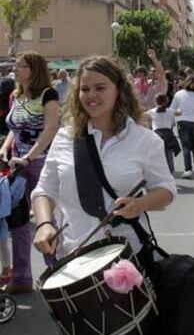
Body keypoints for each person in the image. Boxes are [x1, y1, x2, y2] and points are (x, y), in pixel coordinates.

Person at [31, 56, 176, 262]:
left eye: (100, 88)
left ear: (119, 90)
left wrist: (139, 204)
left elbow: (166, 189)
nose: (91, 95)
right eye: (85, 89)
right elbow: (45, 189)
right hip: (74, 256)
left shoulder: (146, 140)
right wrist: (44, 224)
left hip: (129, 256)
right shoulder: (65, 138)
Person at [0, 51, 60, 294]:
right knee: (19, 222)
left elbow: (51, 128)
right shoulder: (17, 95)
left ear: (34, 69)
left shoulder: (48, 94)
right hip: (18, 165)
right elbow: (15, 128)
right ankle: (22, 278)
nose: (17, 69)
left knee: (46, 220)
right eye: (16, 65)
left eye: (22, 65)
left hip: (42, 163)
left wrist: (29, 157)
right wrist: (5, 146)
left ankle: (56, 271)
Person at [170, 75, 194, 179]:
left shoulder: (178, 94)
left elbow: (172, 109)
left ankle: (188, 169)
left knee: (186, 146)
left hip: (182, 122)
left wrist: (172, 122)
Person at [146, 93, 181, 174]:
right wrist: (180, 108)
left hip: (156, 135)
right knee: (169, 155)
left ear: (156, 101)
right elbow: (179, 113)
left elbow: (142, 116)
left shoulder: (152, 111)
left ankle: (158, 171)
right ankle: (171, 171)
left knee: (157, 155)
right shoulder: (170, 111)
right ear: (167, 101)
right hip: (168, 134)